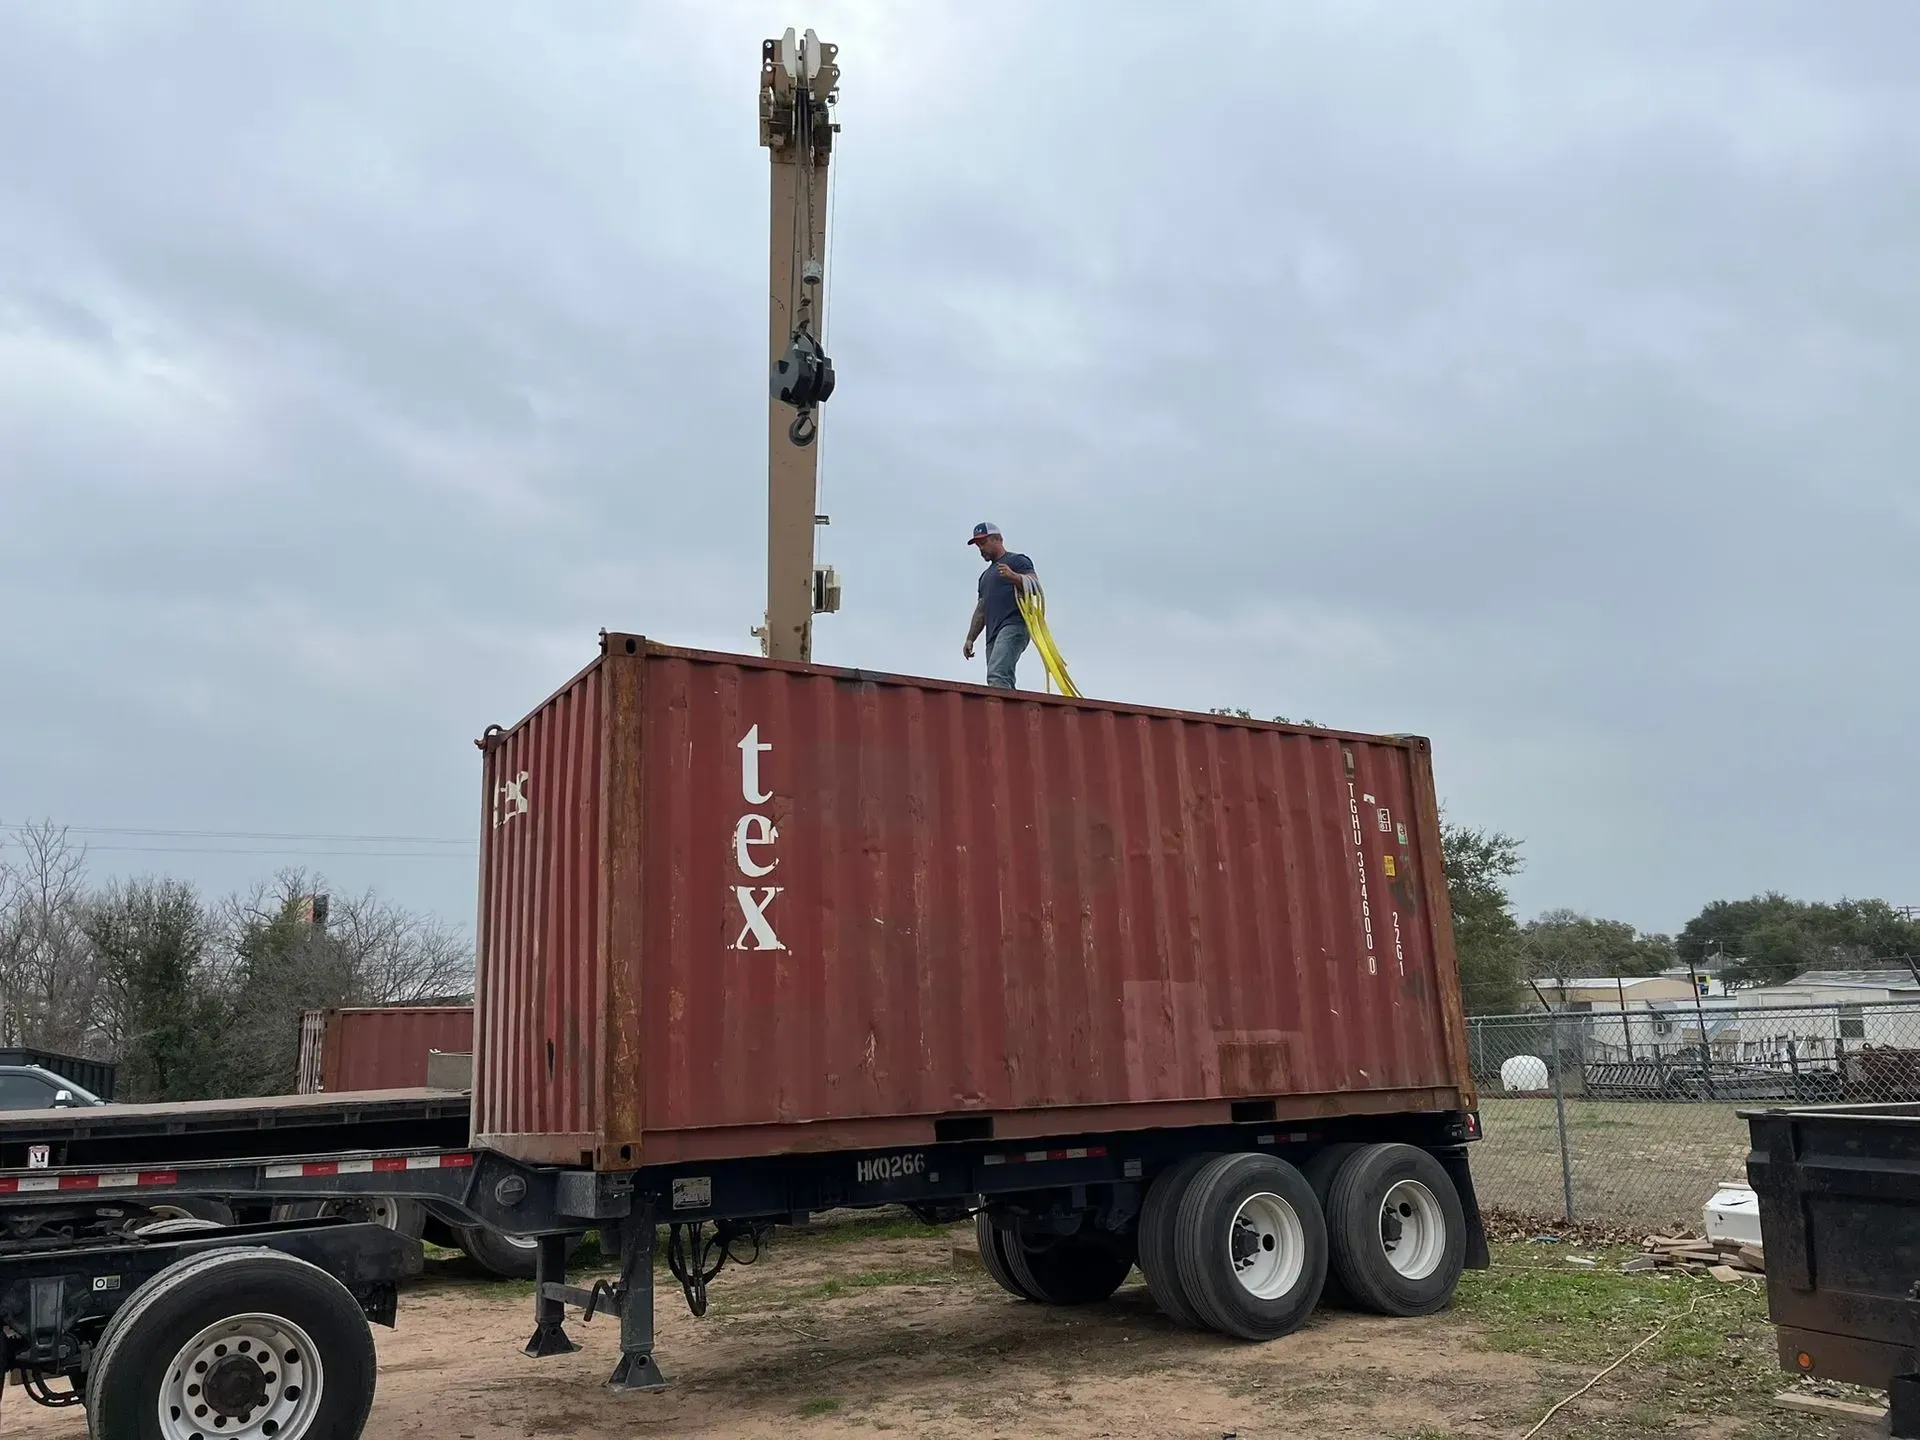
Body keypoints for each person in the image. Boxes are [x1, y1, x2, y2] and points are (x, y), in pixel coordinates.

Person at [962, 521, 1036, 689]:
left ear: (998, 539)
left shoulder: (1017, 560)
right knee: (999, 678)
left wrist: (1014, 577)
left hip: (1014, 624)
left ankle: (999, 713)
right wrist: (970, 638)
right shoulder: (985, 577)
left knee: (997, 674)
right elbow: (981, 609)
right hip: (993, 633)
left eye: (983, 542)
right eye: (977, 544)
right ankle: (1009, 711)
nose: (980, 548)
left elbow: (1034, 585)